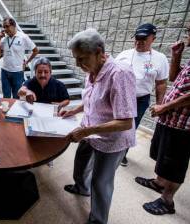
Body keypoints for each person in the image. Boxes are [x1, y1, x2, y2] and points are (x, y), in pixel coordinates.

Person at [60, 29, 136, 224]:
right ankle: (81, 187)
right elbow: (91, 99)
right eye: (76, 59)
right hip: (90, 129)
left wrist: (87, 131)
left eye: (82, 59)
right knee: (80, 165)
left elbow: (125, 122)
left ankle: (98, 219)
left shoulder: (120, 74)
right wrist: (74, 111)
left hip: (113, 139)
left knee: (101, 182)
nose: (78, 65)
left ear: (100, 52)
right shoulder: (92, 70)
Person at [135, 26, 190, 216]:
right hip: (171, 120)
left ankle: (167, 201)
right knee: (164, 155)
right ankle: (159, 183)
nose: (187, 35)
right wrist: (176, 56)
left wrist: (164, 107)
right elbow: (175, 78)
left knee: (176, 162)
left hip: (184, 125)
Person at [116, 23, 169, 166]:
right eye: (137, 38)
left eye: (143, 39)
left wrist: (160, 105)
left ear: (153, 39)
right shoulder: (124, 55)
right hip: (120, 97)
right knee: (116, 123)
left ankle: (122, 153)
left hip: (141, 99)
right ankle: (111, 149)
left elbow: (161, 83)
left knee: (131, 127)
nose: (138, 42)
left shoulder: (160, 58)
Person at [0, 17, 39, 98]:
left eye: (7, 26)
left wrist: (27, 62)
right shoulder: (3, 39)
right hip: (5, 71)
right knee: (6, 96)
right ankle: (7, 110)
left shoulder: (23, 37)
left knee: (16, 96)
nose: (5, 29)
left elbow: (36, 50)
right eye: (4, 27)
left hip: (17, 72)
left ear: (14, 26)